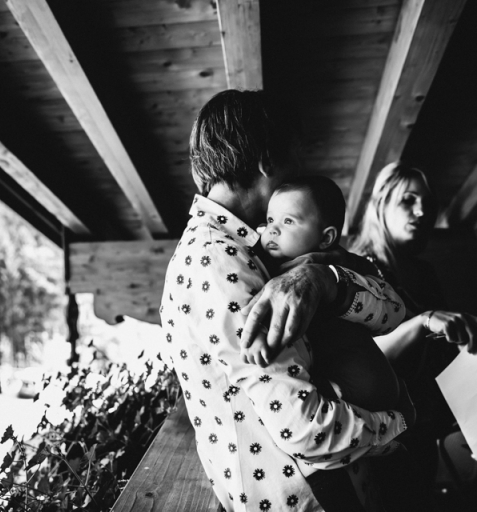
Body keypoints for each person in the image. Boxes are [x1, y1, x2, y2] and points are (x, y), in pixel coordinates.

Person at [161, 90, 414, 512]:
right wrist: (399, 425)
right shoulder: (217, 263)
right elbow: (305, 429)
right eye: (297, 156)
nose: (301, 170)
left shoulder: (262, 245)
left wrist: (326, 279)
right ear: (267, 162)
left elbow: (397, 308)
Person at [348, 162, 477, 493]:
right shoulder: (356, 270)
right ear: (380, 205)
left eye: (428, 204)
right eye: (408, 200)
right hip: (379, 435)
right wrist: (422, 322)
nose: (422, 211)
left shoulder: (424, 272)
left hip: (425, 426)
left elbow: (443, 353)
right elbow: (361, 363)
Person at [245, 176, 400, 414]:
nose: (273, 229)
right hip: (316, 375)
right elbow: (258, 305)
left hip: (357, 374)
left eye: (288, 221)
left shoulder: (342, 263)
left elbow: (390, 302)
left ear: (326, 238)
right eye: (270, 219)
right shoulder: (259, 261)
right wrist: (255, 335)